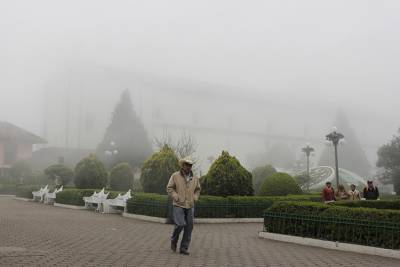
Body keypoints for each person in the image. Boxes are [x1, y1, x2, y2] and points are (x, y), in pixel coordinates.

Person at [166, 157, 201, 255]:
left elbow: (198, 189)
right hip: (178, 204)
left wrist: (195, 197)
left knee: (189, 227)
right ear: (183, 165)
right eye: (187, 165)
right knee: (180, 224)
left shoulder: (195, 178)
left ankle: (184, 248)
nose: (189, 167)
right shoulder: (175, 176)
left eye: (190, 165)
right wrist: (175, 196)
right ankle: (173, 240)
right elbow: (169, 188)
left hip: (190, 205)